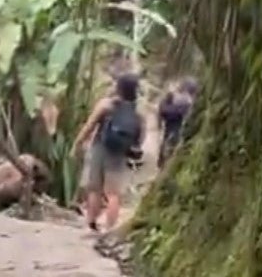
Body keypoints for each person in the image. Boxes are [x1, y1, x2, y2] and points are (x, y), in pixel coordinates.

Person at [71, 72, 145, 232]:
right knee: (113, 194)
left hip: (100, 148)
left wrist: (77, 144)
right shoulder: (137, 112)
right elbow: (140, 136)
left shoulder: (106, 105)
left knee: (95, 188)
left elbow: (89, 126)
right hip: (119, 153)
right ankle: (110, 228)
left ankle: (91, 223)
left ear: (119, 88)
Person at [157, 77, 198, 168]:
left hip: (175, 131)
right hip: (173, 130)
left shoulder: (185, 101)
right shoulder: (185, 100)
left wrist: (166, 99)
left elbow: (165, 112)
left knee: (169, 150)